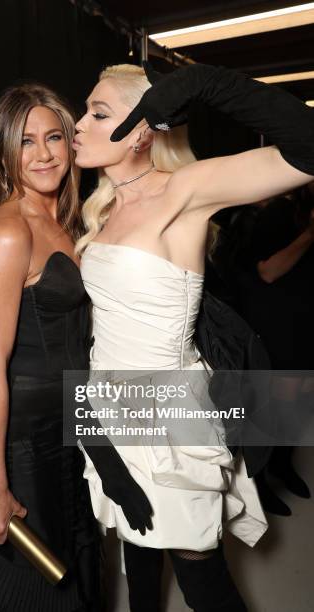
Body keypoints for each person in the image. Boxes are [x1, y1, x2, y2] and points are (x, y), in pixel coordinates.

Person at [71, 61, 314, 611]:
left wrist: (207, 82)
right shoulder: (101, 208)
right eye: (85, 109)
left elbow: (309, 148)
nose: (79, 123)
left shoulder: (182, 191)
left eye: (98, 112)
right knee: (138, 562)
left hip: (170, 414)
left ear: (141, 130)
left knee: (202, 579)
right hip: (112, 410)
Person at [0, 82, 101, 611]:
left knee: (78, 569)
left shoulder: (65, 217)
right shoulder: (9, 231)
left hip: (74, 423)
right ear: (3, 153)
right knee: (35, 588)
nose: (43, 154)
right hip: (29, 442)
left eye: (54, 137)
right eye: (26, 142)